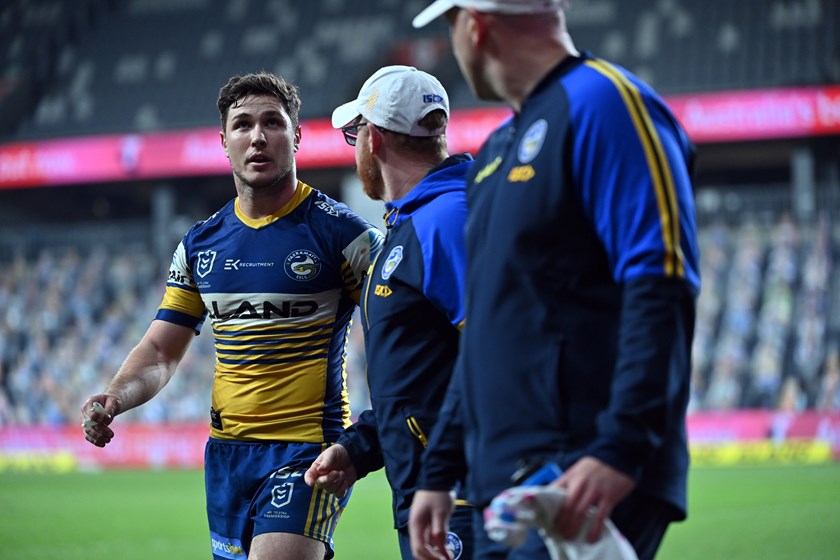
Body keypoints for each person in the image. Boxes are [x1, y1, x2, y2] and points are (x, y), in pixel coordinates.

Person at [408, 2, 701, 560]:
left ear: (476, 26)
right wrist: (439, 470)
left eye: (450, 27)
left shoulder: (607, 102)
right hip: (500, 485)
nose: (453, 45)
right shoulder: (495, 151)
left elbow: (661, 281)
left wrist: (620, 447)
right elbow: (487, 331)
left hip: (578, 471)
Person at [81, 71, 384, 560]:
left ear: (297, 136)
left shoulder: (344, 235)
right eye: (242, 125)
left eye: (273, 123)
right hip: (226, 456)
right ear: (224, 142)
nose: (257, 136)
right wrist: (115, 397)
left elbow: (399, 325)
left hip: (308, 449)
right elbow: (160, 350)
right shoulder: (201, 244)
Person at [302, 65, 476, 560]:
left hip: (465, 499)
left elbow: (502, 355)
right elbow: (426, 378)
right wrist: (361, 449)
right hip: (439, 493)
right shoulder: (419, 222)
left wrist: (445, 472)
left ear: (373, 139)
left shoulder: (446, 220)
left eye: (354, 134)